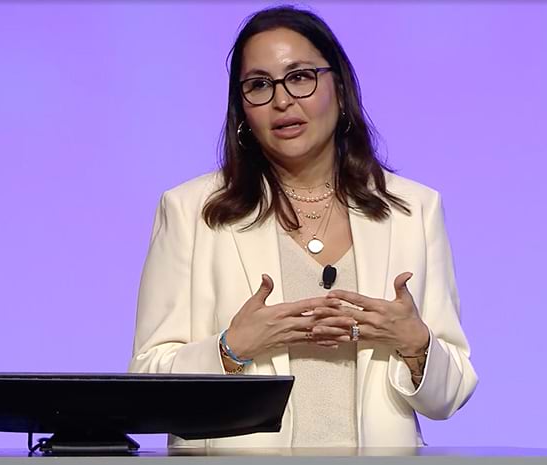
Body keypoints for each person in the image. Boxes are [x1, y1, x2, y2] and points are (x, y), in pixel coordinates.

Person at [128, 5, 477, 448]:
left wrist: (414, 344)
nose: (281, 100)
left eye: (300, 77)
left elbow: (452, 392)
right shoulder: (192, 211)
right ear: (242, 110)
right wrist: (230, 349)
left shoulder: (413, 209)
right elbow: (147, 380)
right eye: (259, 85)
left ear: (340, 88)